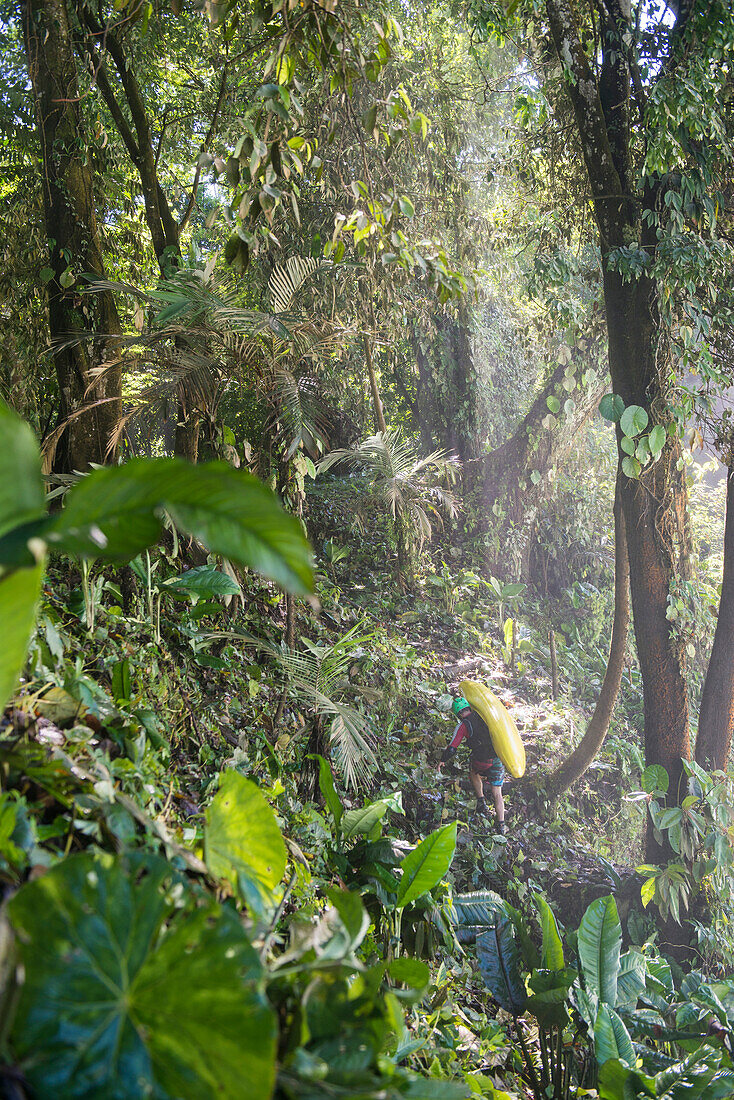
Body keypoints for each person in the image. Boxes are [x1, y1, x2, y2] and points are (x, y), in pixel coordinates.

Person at [437, 696, 506, 833]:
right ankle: (501, 825)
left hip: (481, 760)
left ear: (458, 713)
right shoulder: (485, 716)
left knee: (474, 772)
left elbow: (452, 748)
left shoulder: (463, 725)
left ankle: (481, 801)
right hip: (497, 757)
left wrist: (442, 760)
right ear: (469, 707)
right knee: (497, 792)